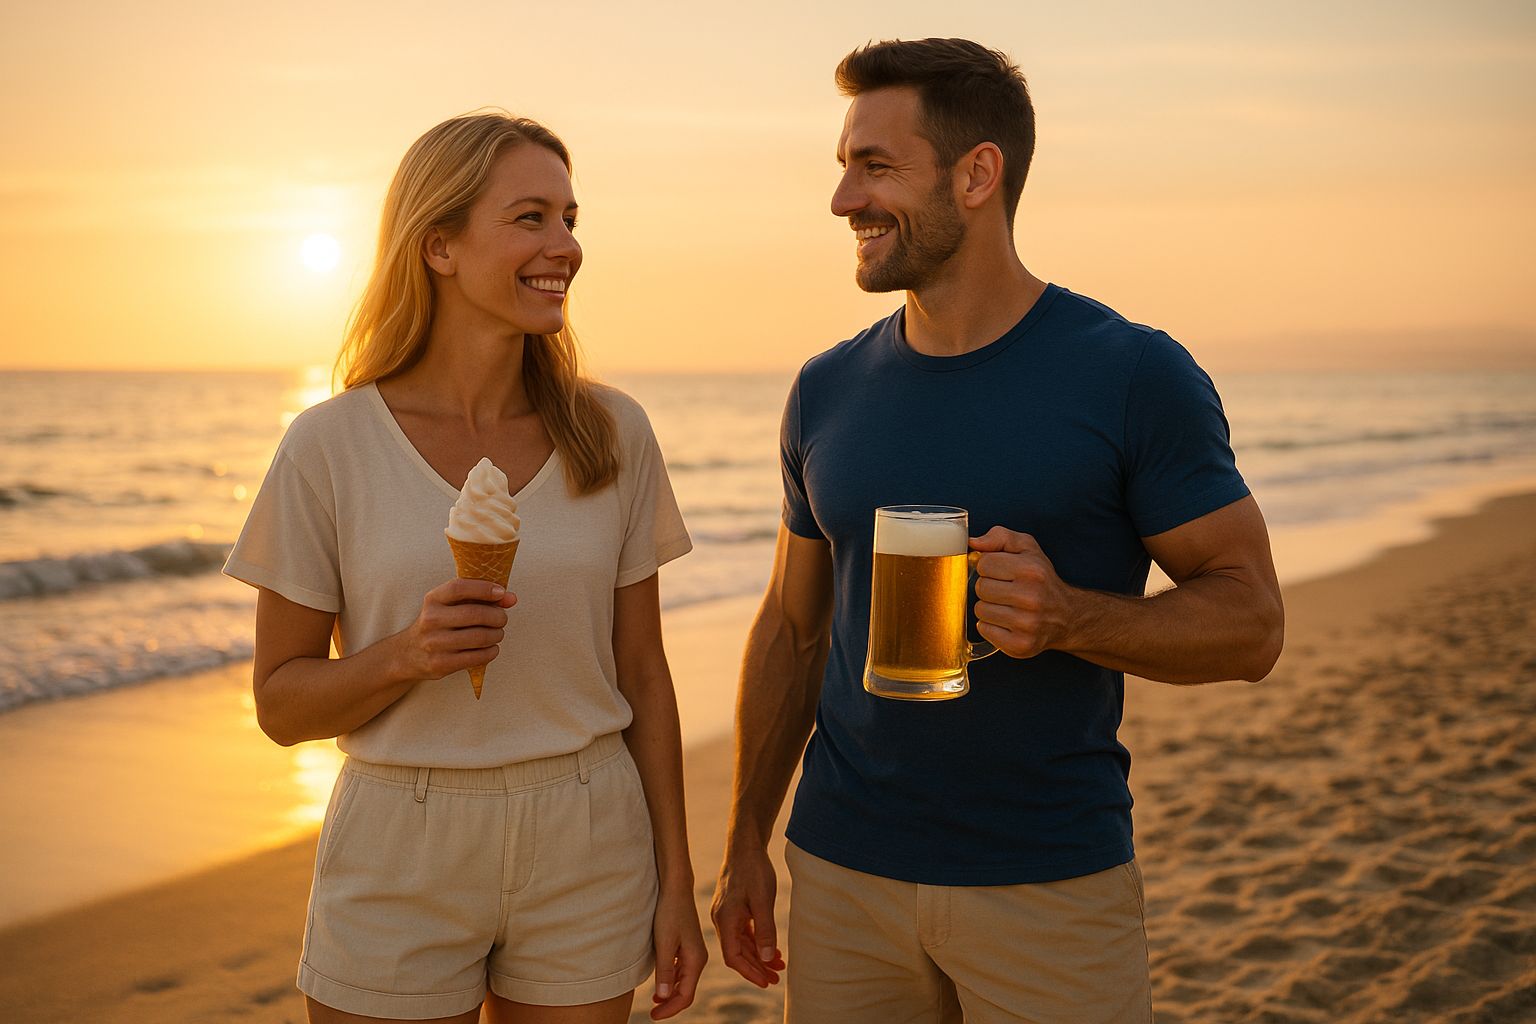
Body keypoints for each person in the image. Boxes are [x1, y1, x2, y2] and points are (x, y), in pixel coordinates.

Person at [710, 38, 1284, 1024]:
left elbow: (1251, 623)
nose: (844, 199)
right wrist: (744, 844)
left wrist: (1068, 617)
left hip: (1049, 884)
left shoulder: (1132, 374)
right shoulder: (825, 389)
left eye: (875, 166)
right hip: (842, 875)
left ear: (978, 174)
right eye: (844, 167)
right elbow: (793, 628)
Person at [225, 112, 706, 1024]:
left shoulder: (612, 434)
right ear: (438, 245)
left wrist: (677, 878)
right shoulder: (329, 446)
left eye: (570, 218)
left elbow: (643, 670)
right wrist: (405, 654)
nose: (564, 245)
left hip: (589, 827)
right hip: (400, 835)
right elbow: (281, 706)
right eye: (530, 218)